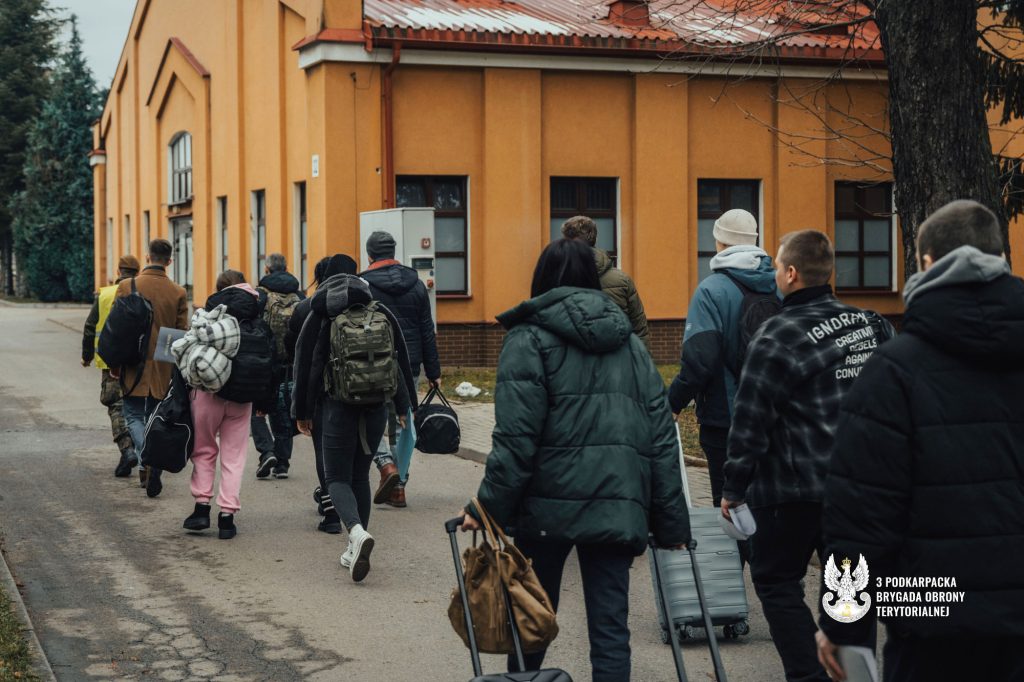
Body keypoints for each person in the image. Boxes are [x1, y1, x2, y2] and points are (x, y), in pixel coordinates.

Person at [457, 238, 690, 681]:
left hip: (546, 507)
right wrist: (673, 524)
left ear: (541, 278)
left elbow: (515, 440)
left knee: (530, 618)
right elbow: (662, 439)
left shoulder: (528, 339)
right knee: (609, 627)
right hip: (618, 505)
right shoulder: (632, 345)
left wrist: (485, 509)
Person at [815, 200, 1024, 682]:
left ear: (926, 263)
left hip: (933, 613)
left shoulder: (894, 371)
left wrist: (844, 623)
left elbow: (859, 513)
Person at [720, 230, 893, 682]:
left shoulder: (776, 334)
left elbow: (751, 418)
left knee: (776, 580)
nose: (776, 273)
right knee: (850, 593)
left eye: (777, 266)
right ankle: (855, 673)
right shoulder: (873, 326)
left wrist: (734, 487)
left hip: (792, 489)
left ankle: (808, 673)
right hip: (857, 489)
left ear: (791, 273)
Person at [292, 268, 416, 581]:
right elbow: (398, 360)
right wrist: (404, 406)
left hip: (337, 407)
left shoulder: (320, 316)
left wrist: (302, 412)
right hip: (376, 407)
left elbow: (306, 365)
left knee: (336, 476)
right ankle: (356, 543)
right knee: (360, 473)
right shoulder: (381, 312)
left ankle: (357, 533)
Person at [667, 208, 777, 509]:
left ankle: (742, 554)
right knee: (768, 501)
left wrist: (673, 403)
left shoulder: (711, 290)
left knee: (730, 503)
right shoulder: (780, 286)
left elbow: (699, 360)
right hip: (776, 415)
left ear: (719, 240)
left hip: (725, 418)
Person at [180, 270, 275, 540]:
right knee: (234, 456)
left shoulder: (210, 313)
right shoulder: (257, 316)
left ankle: (201, 509)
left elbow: (189, 352)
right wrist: (264, 402)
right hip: (242, 398)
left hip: (207, 393)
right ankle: (227, 517)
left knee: (204, 451)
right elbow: (271, 360)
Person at [360, 231, 441, 508]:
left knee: (368, 417)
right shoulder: (416, 284)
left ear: (369, 254)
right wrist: (434, 371)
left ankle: (386, 465)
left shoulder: (363, 285)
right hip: (411, 364)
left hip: (373, 362)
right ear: (394, 251)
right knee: (403, 420)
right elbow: (427, 331)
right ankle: (400, 485)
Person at [287, 254, 358, 535]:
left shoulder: (308, 308)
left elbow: (299, 358)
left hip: (322, 394)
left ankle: (331, 513)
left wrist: (300, 410)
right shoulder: (369, 304)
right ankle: (353, 513)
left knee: (324, 451)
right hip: (364, 393)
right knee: (354, 456)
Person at [114, 238, 189, 498]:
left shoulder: (126, 286)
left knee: (133, 415)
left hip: (132, 362)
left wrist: (115, 364)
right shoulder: (178, 292)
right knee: (155, 416)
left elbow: (117, 331)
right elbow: (180, 335)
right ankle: (152, 460)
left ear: (147, 257)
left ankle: (147, 457)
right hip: (163, 364)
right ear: (169, 261)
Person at [81, 254, 140, 477]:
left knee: (116, 406)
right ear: (138, 272)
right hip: (138, 364)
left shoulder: (104, 294)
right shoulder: (141, 292)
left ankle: (127, 450)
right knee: (137, 406)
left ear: (118, 271)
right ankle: (136, 454)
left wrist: (86, 356)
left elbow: (89, 326)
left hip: (110, 362)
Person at [252, 252, 305, 480]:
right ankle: (282, 464)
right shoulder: (299, 296)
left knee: (256, 409)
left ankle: (266, 451)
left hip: (264, 362)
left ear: (267, 269)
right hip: (292, 363)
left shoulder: (261, 295)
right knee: (283, 410)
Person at [561, 215, 650, 349]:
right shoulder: (622, 280)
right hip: (618, 360)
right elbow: (639, 329)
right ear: (594, 238)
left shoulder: (559, 278)